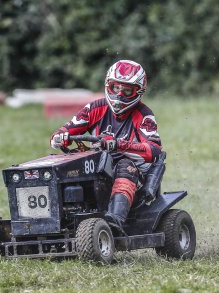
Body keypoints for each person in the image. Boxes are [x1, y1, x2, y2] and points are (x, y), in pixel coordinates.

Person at [50, 60, 162, 230]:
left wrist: (118, 145)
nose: (119, 94)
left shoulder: (144, 115)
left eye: (127, 90)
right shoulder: (96, 108)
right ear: (108, 85)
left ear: (138, 92)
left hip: (136, 174)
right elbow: (67, 129)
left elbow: (154, 150)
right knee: (62, 167)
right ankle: (58, 219)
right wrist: (60, 136)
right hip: (99, 165)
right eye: (116, 88)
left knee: (125, 166)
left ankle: (114, 221)